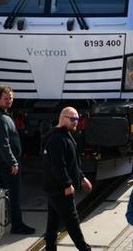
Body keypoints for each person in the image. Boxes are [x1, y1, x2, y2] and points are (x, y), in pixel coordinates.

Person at [42, 107, 93, 251]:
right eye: (73, 119)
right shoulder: (56, 139)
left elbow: (72, 162)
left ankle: (50, 247)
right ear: (63, 118)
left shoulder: (65, 135)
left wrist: (81, 177)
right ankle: (85, 249)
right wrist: (67, 184)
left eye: (77, 119)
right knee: (72, 221)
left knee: (53, 221)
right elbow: (58, 165)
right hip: (59, 189)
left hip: (55, 188)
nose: (76, 122)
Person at [0, 86, 35, 235]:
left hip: (4, 163)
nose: (9, 101)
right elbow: (3, 143)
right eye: (5, 98)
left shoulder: (4, 115)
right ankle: (17, 225)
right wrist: (13, 162)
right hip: (8, 165)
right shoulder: (1, 118)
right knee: (14, 196)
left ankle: (8, 223)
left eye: (11, 98)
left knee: (7, 196)